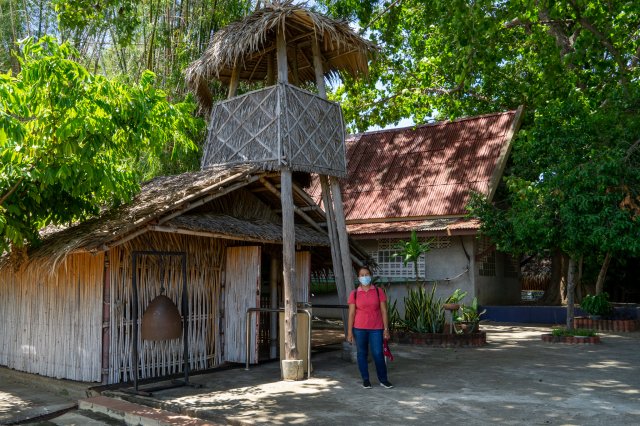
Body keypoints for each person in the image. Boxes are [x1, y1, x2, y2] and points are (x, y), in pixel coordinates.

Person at [347, 266, 394, 389]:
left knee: (378, 353)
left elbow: (384, 311)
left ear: (370, 276)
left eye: (366, 274)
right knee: (361, 354)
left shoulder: (378, 291)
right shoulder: (354, 294)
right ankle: (366, 380)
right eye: (362, 275)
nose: (364, 277)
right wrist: (349, 332)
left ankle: (383, 380)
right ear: (358, 278)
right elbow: (351, 313)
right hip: (359, 328)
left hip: (376, 328)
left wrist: (386, 329)